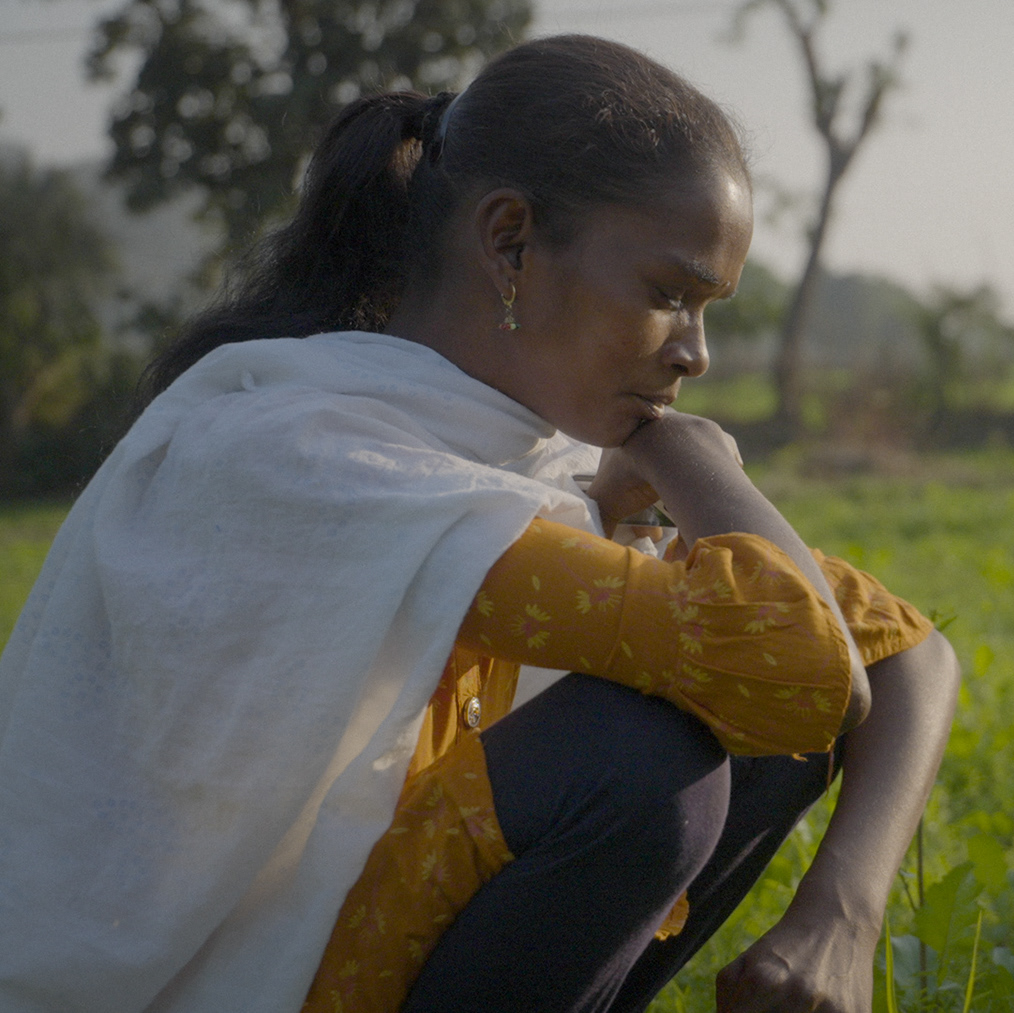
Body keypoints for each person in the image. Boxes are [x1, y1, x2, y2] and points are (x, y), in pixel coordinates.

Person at [0, 35, 958, 1013]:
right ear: (509, 241)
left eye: (706, 308)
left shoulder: (531, 464)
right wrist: (690, 457)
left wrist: (842, 912)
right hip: (225, 987)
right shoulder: (305, 455)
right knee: (633, 750)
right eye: (670, 295)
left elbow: (904, 652)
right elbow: (805, 668)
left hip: (357, 954)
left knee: (706, 714)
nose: (695, 353)